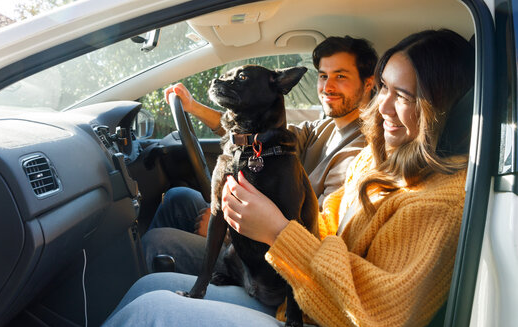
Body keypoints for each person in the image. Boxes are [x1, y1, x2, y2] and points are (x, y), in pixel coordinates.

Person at [68, 28, 474, 327]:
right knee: (148, 291)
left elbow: (382, 318)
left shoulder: (441, 203)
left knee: (151, 319)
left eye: (402, 95)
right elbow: (324, 218)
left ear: (443, 106)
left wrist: (278, 232)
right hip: (307, 297)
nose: (382, 105)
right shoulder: (377, 156)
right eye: (384, 88)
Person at [143, 36, 378, 273]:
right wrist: (193, 107)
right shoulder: (322, 127)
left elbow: (323, 231)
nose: (327, 87)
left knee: (157, 243)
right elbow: (250, 136)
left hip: (272, 259)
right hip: (251, 225)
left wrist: (228, 233)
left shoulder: (362, 153)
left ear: (368, 84)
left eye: (340, 76)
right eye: (323, 76)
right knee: (177, 198)